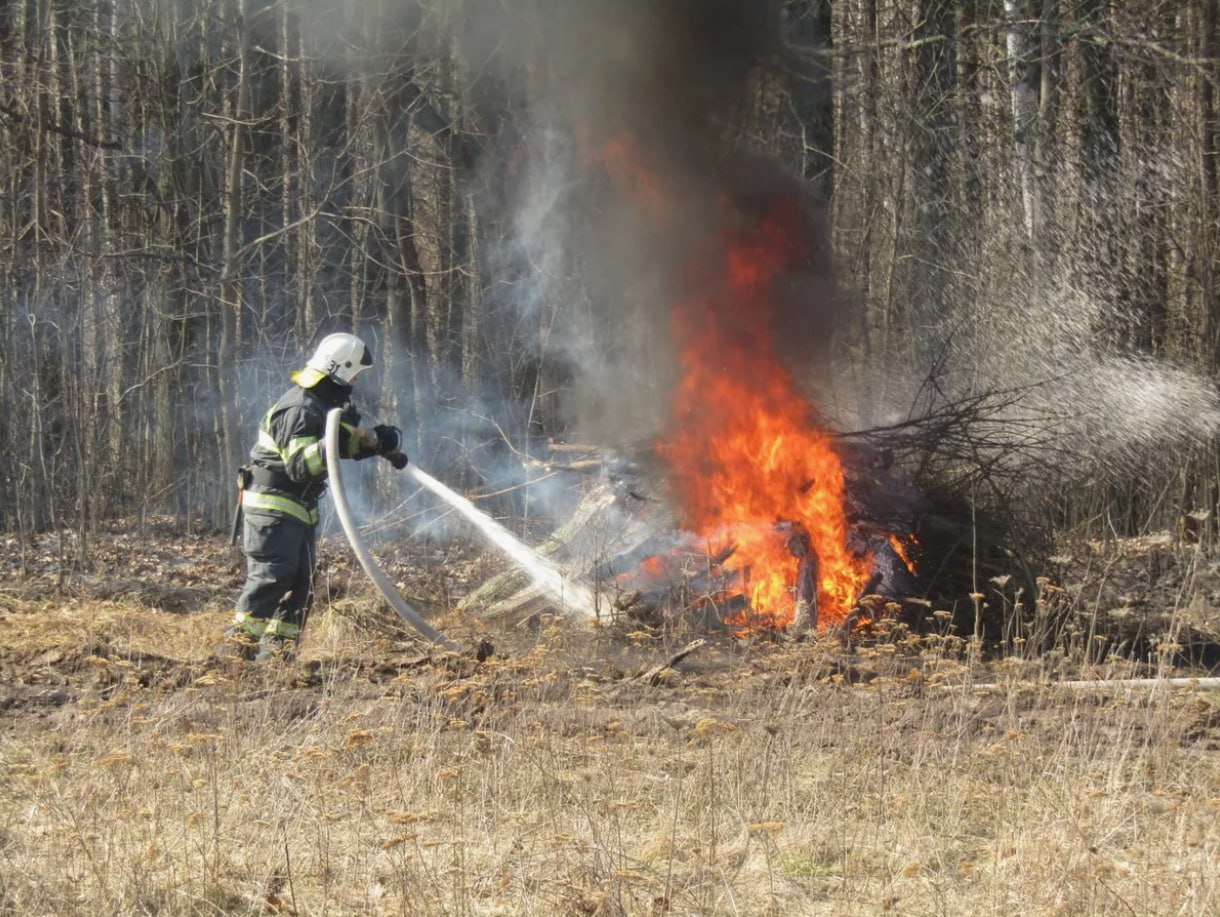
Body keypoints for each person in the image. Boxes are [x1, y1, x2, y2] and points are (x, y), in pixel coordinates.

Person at [223, 332, 407, 662]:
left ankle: (277, 658)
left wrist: (378, 441)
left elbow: (344, 445)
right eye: (354, 374)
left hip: (297, 509)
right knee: (272, 577)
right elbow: (300, 464)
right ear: (339, 369)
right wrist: (335, 440)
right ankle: (235, 654)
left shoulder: (325, 406)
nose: (355, 381)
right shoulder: (300, 407)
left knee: (301, 584)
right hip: (272, 506)